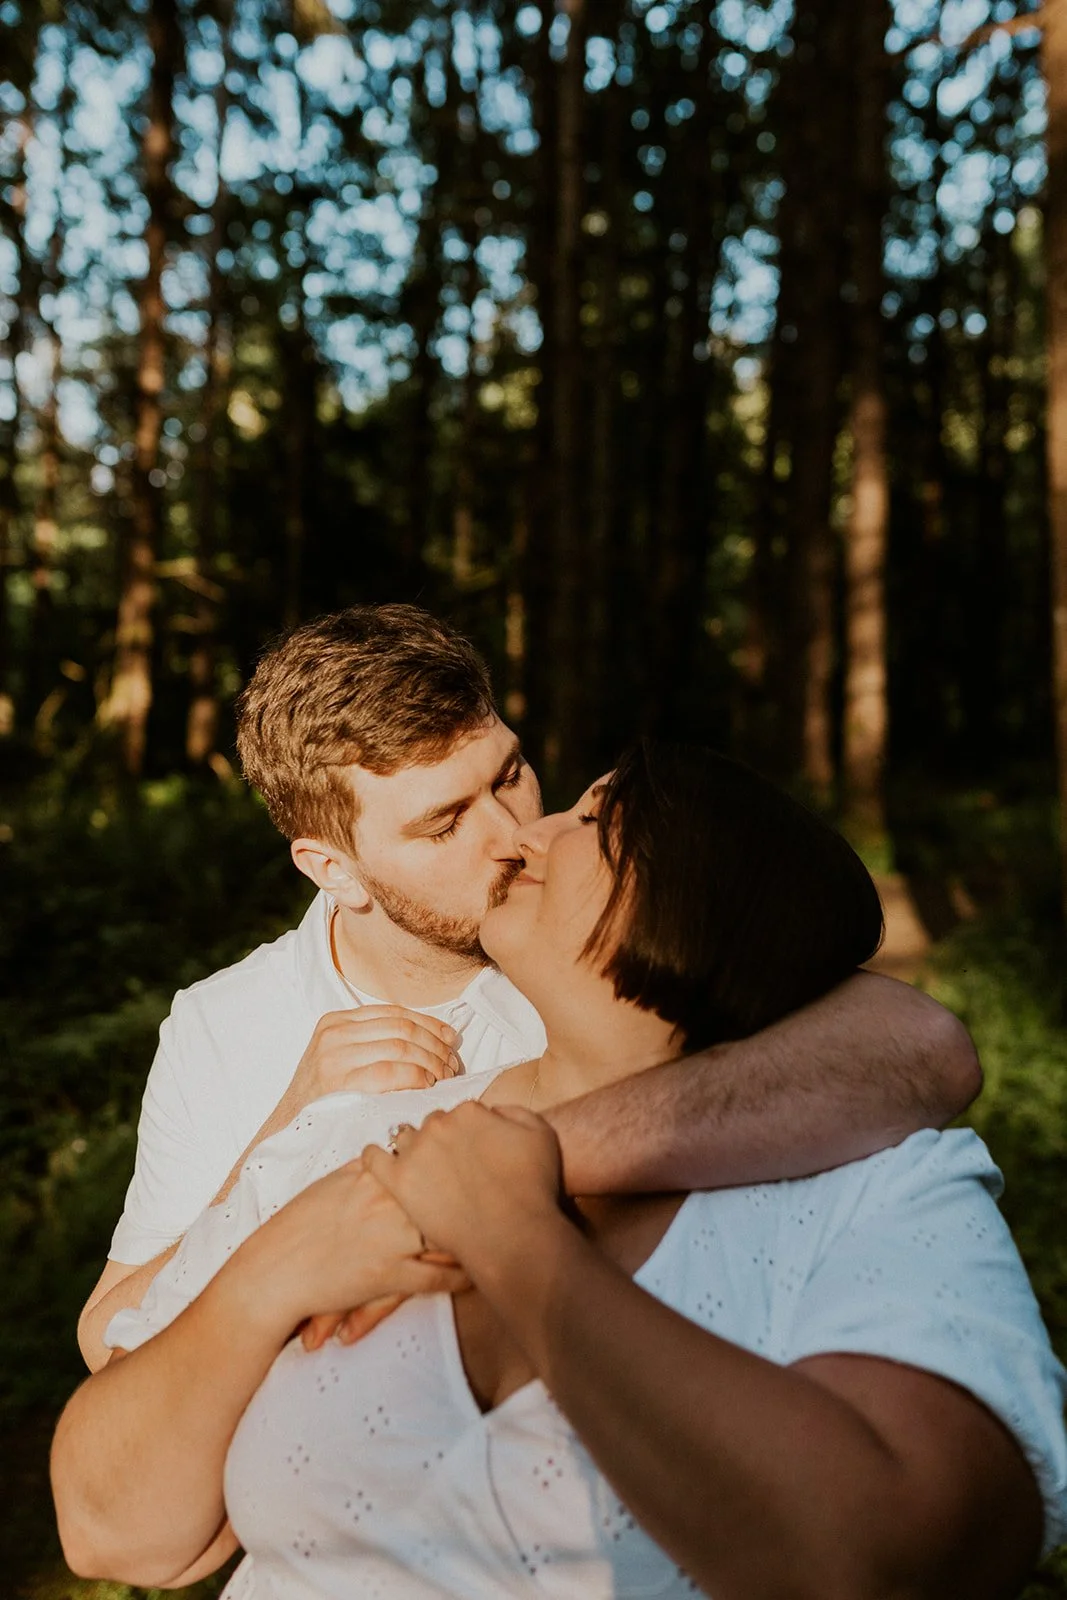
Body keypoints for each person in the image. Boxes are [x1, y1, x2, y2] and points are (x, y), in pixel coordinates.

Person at [53, 744, 1066, 1598]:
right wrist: (272, 1269)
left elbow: (883, 1561)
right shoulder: (348, 1136)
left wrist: (518, 1238)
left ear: (710, 894)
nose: (518, 835)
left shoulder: (878, 1185)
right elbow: (110, 1528)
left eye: (592, 817)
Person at [78, 605, 979, 1371]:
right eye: (444, 825)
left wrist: (506, 1164)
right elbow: (113, 1337)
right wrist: (288, 1134)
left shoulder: (586, 936)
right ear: (332, 868)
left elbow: (921, 1048)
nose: (512, 834)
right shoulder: (224, 1023)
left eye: (509, 774)